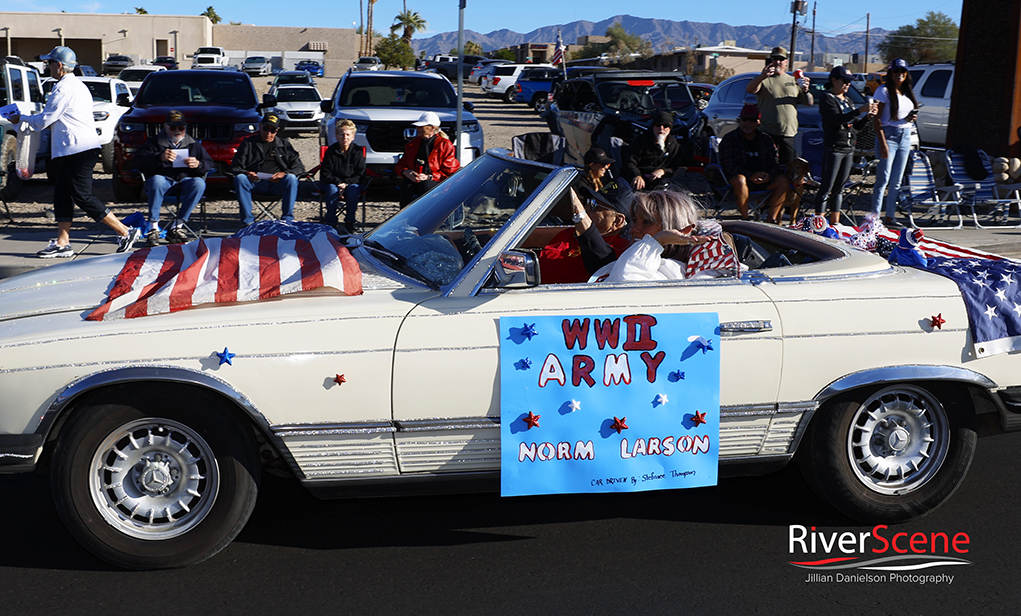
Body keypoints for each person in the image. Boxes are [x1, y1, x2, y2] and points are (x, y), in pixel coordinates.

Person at [11, 46, 140, 257]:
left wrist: (20, 119)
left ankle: (125, 231)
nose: (47, 67)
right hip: (70, 150)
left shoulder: (64, 89)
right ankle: (63, 243)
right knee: (62, 196)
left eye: (49, 63)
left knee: (82, 196)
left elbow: (45, 119)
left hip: (78, 150)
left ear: (59, 66)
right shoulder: (74, 86)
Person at [573, 189, 713, 281]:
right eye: (634, 220)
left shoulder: (673, 271)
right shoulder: (640, 259)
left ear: (675, 228)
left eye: (647, 222)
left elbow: (625, 281)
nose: (634, 229)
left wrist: (657, 241)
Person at [134, 109, 215, 246]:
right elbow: (138, 162)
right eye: (173, 127)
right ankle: (153, 228)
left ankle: (177, 226)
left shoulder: (193, 143)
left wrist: (198, 164)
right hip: (163, 182)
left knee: (199, 183)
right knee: (157, 180)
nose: (177, 130)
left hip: (185, 182)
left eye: (181, 127)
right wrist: (159, 158)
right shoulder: (154, 142)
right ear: (166, 128)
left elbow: (210, 164)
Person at [815, 66, 877, 225]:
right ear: (834, 80)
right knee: (827, 187)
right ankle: (818, 223)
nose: (847, 85)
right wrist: (859, 110)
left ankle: (835, 223)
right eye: (845, 81)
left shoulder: (847, 100)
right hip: (834, 147)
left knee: (839, 188)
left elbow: (855, 126)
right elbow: (836, 120)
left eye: (850, 82)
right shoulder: (827, 98)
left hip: (849, 147)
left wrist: (867, 116)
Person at [538, 186, 631, 284]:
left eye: (594, 205)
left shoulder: (620, 249)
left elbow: (599, 254)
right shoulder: (572, 231)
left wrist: (579, 212)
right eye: (589, 201)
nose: (586, 208)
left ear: (617, 220)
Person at [718, 104, 790, 222]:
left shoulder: (766, 139)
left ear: (758, 122)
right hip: (738, 183)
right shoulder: (730, 139)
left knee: (783, 180)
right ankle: (745, 219)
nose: (747, 123)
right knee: (740, 179)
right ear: (739, 120)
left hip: (762, 181)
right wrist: (750, 175)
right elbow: (728, 166)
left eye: (752, 120)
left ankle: (771, 219)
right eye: (744, 119)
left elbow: (774, 163)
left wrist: (768, 176)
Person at [230, 113, 304, 226]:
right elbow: (234, 167)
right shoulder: (248, 143)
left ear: (277, 130)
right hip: (255, 183)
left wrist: (284, 174)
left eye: (272, 130)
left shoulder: (284, 145)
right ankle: (247, 221)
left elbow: (299, 167)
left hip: (277, 184)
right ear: (260, 126)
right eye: (266, 128)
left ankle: (287, 220)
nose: (268, 133)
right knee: (240, 178)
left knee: (291, 178)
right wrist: (246, 173)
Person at [871, 58, 919, 227]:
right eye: (896, 72)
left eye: (903, 72)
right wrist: (883, 143)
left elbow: (904, 115)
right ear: (890, 73)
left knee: (897, 180)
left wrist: (912, 117)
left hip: (905, 135)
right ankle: (874, 217)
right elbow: (877, 119)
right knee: (883, 178)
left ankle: (890, 216)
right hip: (888, 135)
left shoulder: (906, 92)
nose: (900, 75)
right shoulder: (883, 90)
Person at [745, 46, 813, 164]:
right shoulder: (763, 79)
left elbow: (809, 102)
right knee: (767, 165)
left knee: (787, 167)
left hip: (789, 133)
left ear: (786, 62)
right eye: (775, 58)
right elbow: (750, 90)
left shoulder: (794, 80)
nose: (777, 62)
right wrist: (762, 76)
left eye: (781, 59)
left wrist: (806, 90)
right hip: (768, 132)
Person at [394, 111, 460, 207]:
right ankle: (405, 218)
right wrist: (406, 172)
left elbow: (449, 171)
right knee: (407, 185)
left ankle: (427, 218)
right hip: (417, 179)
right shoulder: (412, 144)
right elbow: (400, 165)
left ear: (432, 128)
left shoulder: (445, 144)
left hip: (437, 181)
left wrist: (429, 177)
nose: (417, 128)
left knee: (426, 186)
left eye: (421, 126)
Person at [320, 119, 366, 233]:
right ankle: (331, 222)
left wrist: (346, 184)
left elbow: (360, 174)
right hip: (333, 183)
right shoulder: (331, 151)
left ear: (353, 136)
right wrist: (338, 183)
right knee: (331, 189)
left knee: (353, 190)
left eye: (347, 134)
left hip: (350, 183)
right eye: (341, 134)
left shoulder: (357, 151)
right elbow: (325, 172)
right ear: (336, 136)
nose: (345, 138)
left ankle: (350, 222)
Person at [624, 111, 683, 191]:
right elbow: (629, 161)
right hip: (640, 178)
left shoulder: (673, 144)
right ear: (653, 126)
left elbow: (676, 166)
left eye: (665, 126)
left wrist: (663, 171)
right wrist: (636, 175)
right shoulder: (641, 141)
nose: (661, 129)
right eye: (658, 125)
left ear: (670, 128)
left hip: (660, 180)